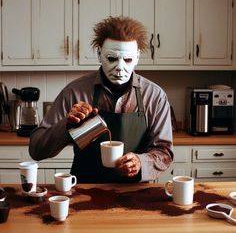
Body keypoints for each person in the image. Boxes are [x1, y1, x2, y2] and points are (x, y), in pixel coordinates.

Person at [29, 16, 173, 183]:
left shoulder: (154, 96)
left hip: (136, 194)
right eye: (111, 58)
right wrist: (66, 125)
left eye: (127, 60)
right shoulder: (75, 92)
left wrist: (141, 163)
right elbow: (36, 150)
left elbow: (164, 152)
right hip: (84, 191)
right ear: (99, 54)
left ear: (137, 57)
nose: (120, 68)